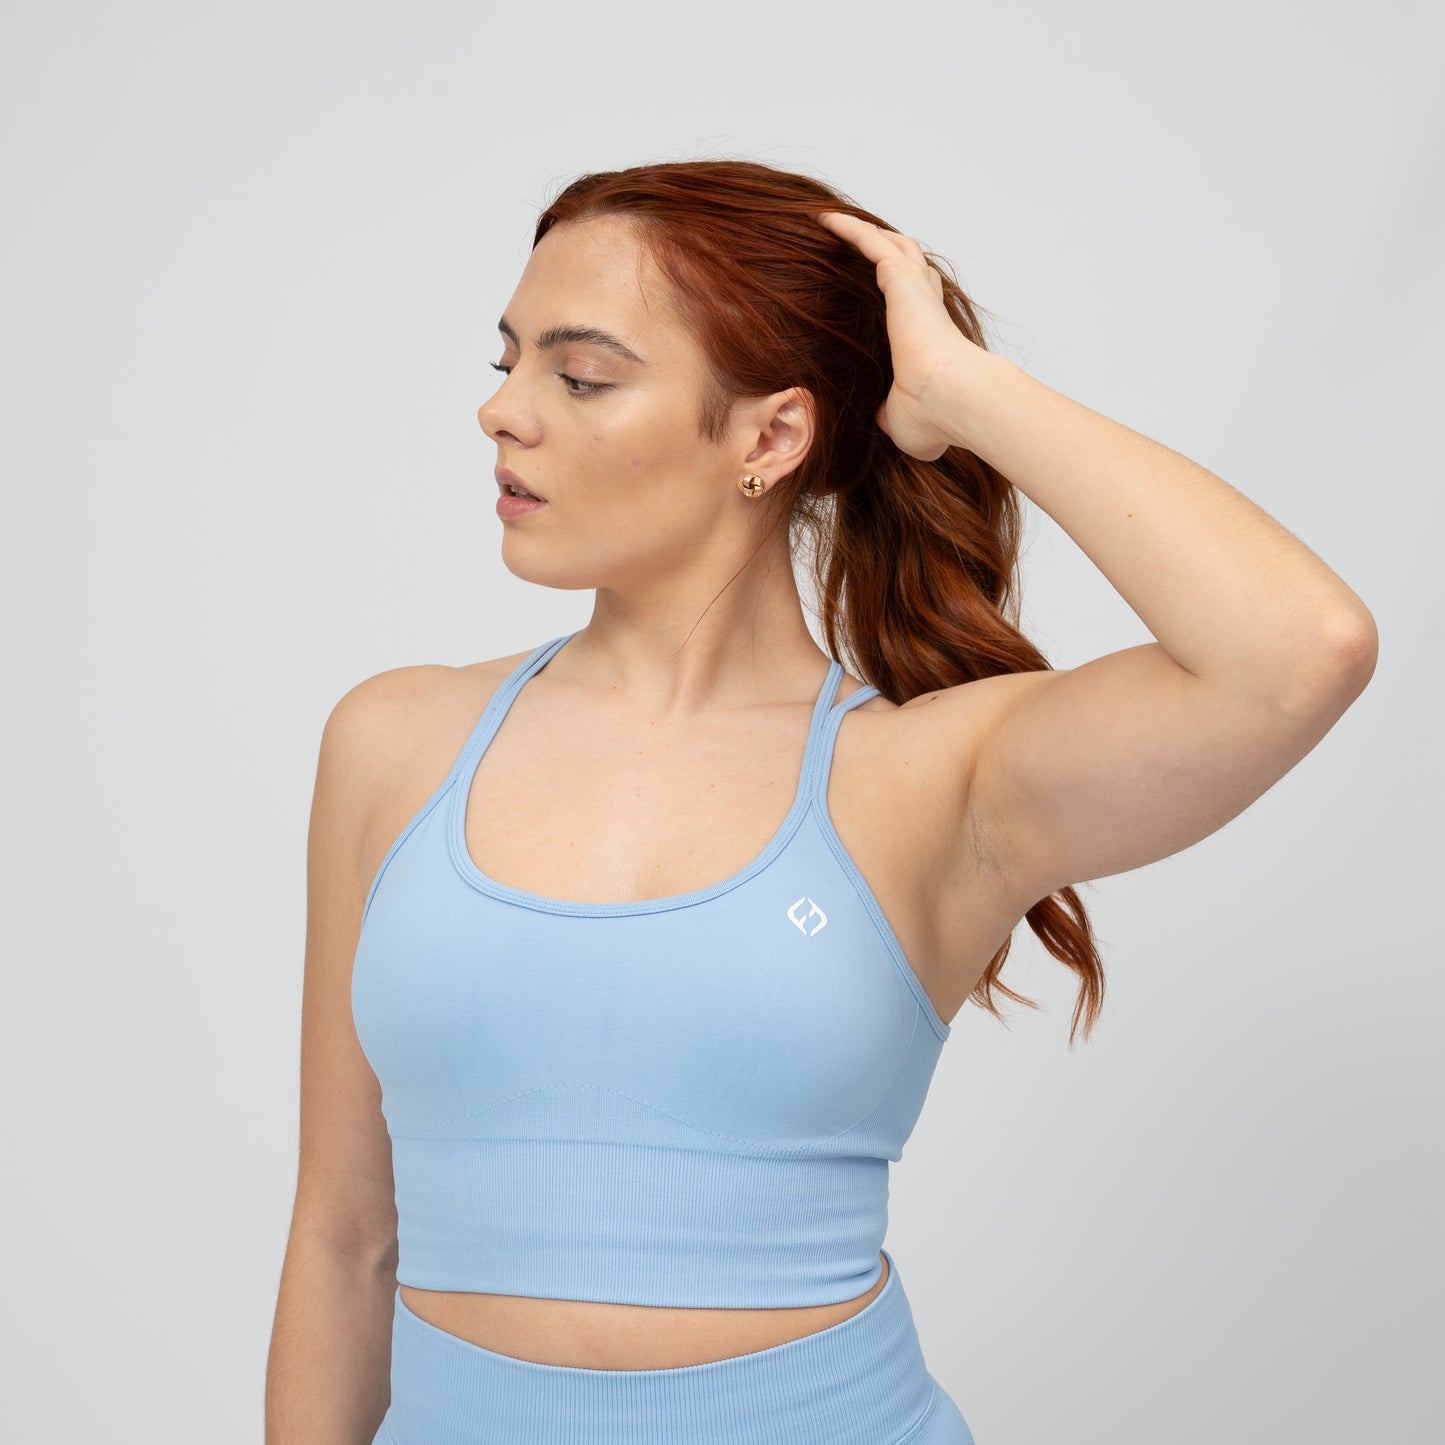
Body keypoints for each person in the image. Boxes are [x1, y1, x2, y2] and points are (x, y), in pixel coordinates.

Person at [264, 159, 1377, 1444]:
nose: (499, 409)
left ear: (770, 437)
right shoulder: (394, 743)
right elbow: (343, 1235)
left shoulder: (927, 777)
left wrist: (967, 392)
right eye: (507, 359)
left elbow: (1299, 651)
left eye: (581, 376)